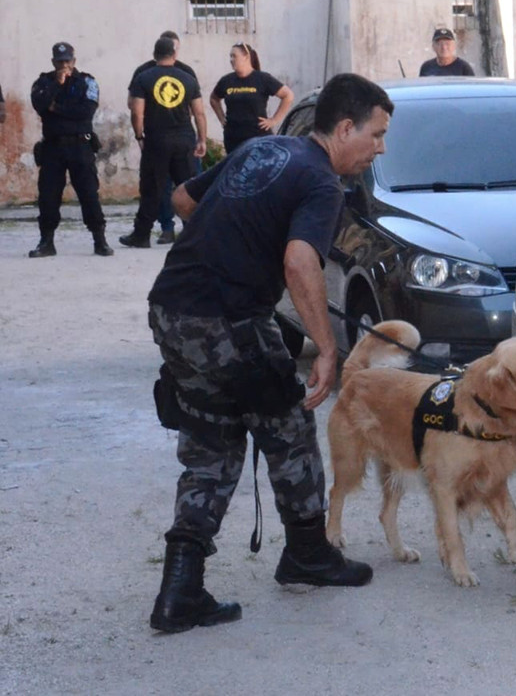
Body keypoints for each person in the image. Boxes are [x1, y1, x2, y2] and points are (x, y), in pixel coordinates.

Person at [145, 72, 393, 633]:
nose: (379, 148)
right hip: (224, 320)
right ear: (345, 127)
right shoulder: (323, 184)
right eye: (375, 135)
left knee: (212, 439)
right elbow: (300, 263)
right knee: (290, 423)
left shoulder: (261, 148)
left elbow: (183, 197)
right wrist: (326, 350)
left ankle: (180, 591)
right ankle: (307, 554)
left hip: (170, 309)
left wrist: (226, 251)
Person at [119, 38, 207, 249]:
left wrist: (139, 136)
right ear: (174, 54)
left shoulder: (144, 78)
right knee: (189, 189)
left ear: (155, 55)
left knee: (152, 188)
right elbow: (200, 113)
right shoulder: (188, 78)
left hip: (157, 140)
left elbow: (136, 112)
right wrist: (202, 139)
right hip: (185, 139)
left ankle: (141, 235)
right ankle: (198, 235)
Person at [28, 41, 113, 258]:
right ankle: (46, 241)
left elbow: (85, 112)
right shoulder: (44, 82)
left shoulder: (87, 82)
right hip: (52, 148)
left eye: (67, 61)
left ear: (74, 61)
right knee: (48, 196)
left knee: (88, 193)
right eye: (59, 61)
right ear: (53, 62)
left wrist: (56, 108)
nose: (64, 65)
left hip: (80, 146)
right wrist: (57, 84)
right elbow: (39, 105)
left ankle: (99, 240)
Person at [210, 43, 294, 156]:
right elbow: (214, 99)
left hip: (258, 137)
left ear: (246, 57)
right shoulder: (226, 81)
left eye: (234, 56)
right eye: (230, 56)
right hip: (233, 138)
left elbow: (288, 95)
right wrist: (221, 118)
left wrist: (274, 120)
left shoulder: (263, 79)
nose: (231, 60)